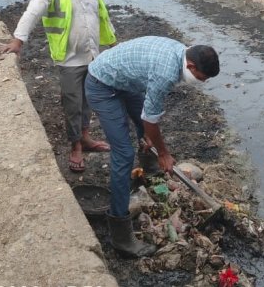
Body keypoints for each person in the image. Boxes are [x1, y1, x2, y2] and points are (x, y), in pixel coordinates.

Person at [85, 36, 220, 257]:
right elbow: (151, 119)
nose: (202, 83)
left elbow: (149, 118)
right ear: (191, 65)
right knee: (124, 154)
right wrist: (165, 154)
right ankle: (120, 235)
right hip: (101, 85)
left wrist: (149, 133)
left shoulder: (181, 53)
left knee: (144, 125)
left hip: (124, 80)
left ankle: (150, 172)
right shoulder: (166, 72)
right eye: (201, 78)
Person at [2, 0, 116, 172]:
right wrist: (18, 39)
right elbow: (32, 12)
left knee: (88, 100)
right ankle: (76, 146)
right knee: (73, 103)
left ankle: (85, 137)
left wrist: (112, 43)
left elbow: (101, 15)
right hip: (69, 59)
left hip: (93, 56)